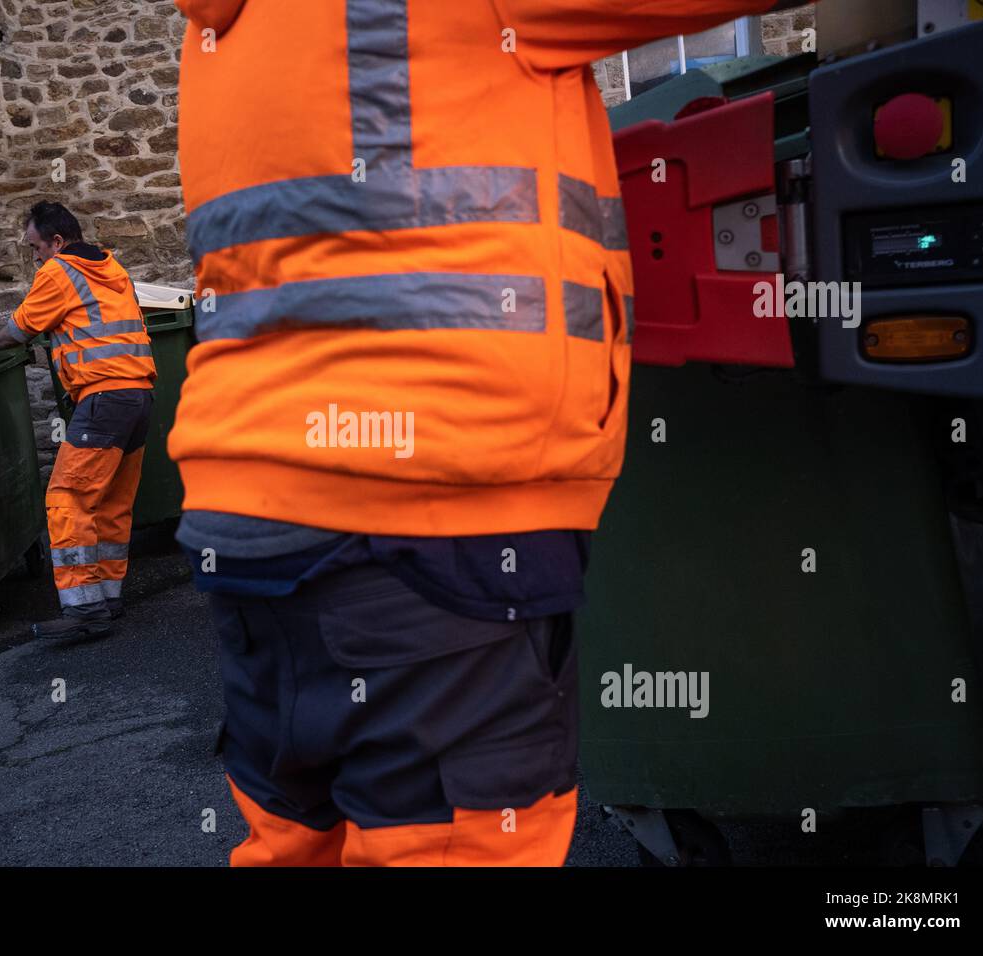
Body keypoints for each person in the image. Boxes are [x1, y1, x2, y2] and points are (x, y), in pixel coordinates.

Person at [170, 0, 806, 865]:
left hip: (246, 521)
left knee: (291, 842)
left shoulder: (219, 31)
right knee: (450, 847)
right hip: (435, 524)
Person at [0, 201, 155, 640]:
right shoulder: (112, 267)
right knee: (111, 503)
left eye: (35, 247)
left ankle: (84, 612)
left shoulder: (59, 271)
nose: (34, 257)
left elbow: (20, 329)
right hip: (139, 397)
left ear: (56, 241)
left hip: (104, 398)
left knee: (67, 499)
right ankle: (108, 598)